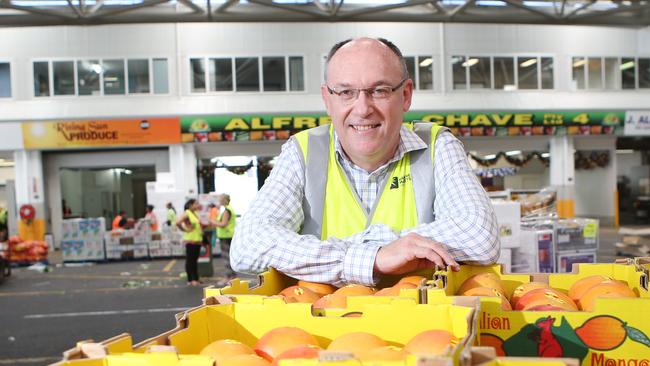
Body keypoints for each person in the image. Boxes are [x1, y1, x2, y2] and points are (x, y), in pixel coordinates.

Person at [231, 37, 499, 287]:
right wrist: (375, 257)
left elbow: (479, 237)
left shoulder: (436, 146)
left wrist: (334, 253)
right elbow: (249, 244)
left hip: (425, 326)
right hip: (320, 328)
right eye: (346, 92)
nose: (362, 109)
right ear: (328, 99)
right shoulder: (304, 152)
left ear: (405, 95)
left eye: (379, 90)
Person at [177, 198, 203, 286]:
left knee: (194, 260)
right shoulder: (187, 213)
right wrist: (185, 230)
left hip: (197, 240)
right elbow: (178, 222)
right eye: (195, 204)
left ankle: (196, 278)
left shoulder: (195, 213)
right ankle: (190, 279)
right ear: (190, 205)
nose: (197, 205)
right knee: (190, 260)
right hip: (190, 240)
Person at [212, 194, 236, 278]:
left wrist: (213, 222)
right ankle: (231, 277)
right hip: (228, 235)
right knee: (229, 257)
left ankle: (229, 277)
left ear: (224, 200)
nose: (219, 201)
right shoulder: (229, 209)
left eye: (220, 199)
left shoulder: (226, 210)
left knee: (226, 257)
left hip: (225, 236)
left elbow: (223, 224)